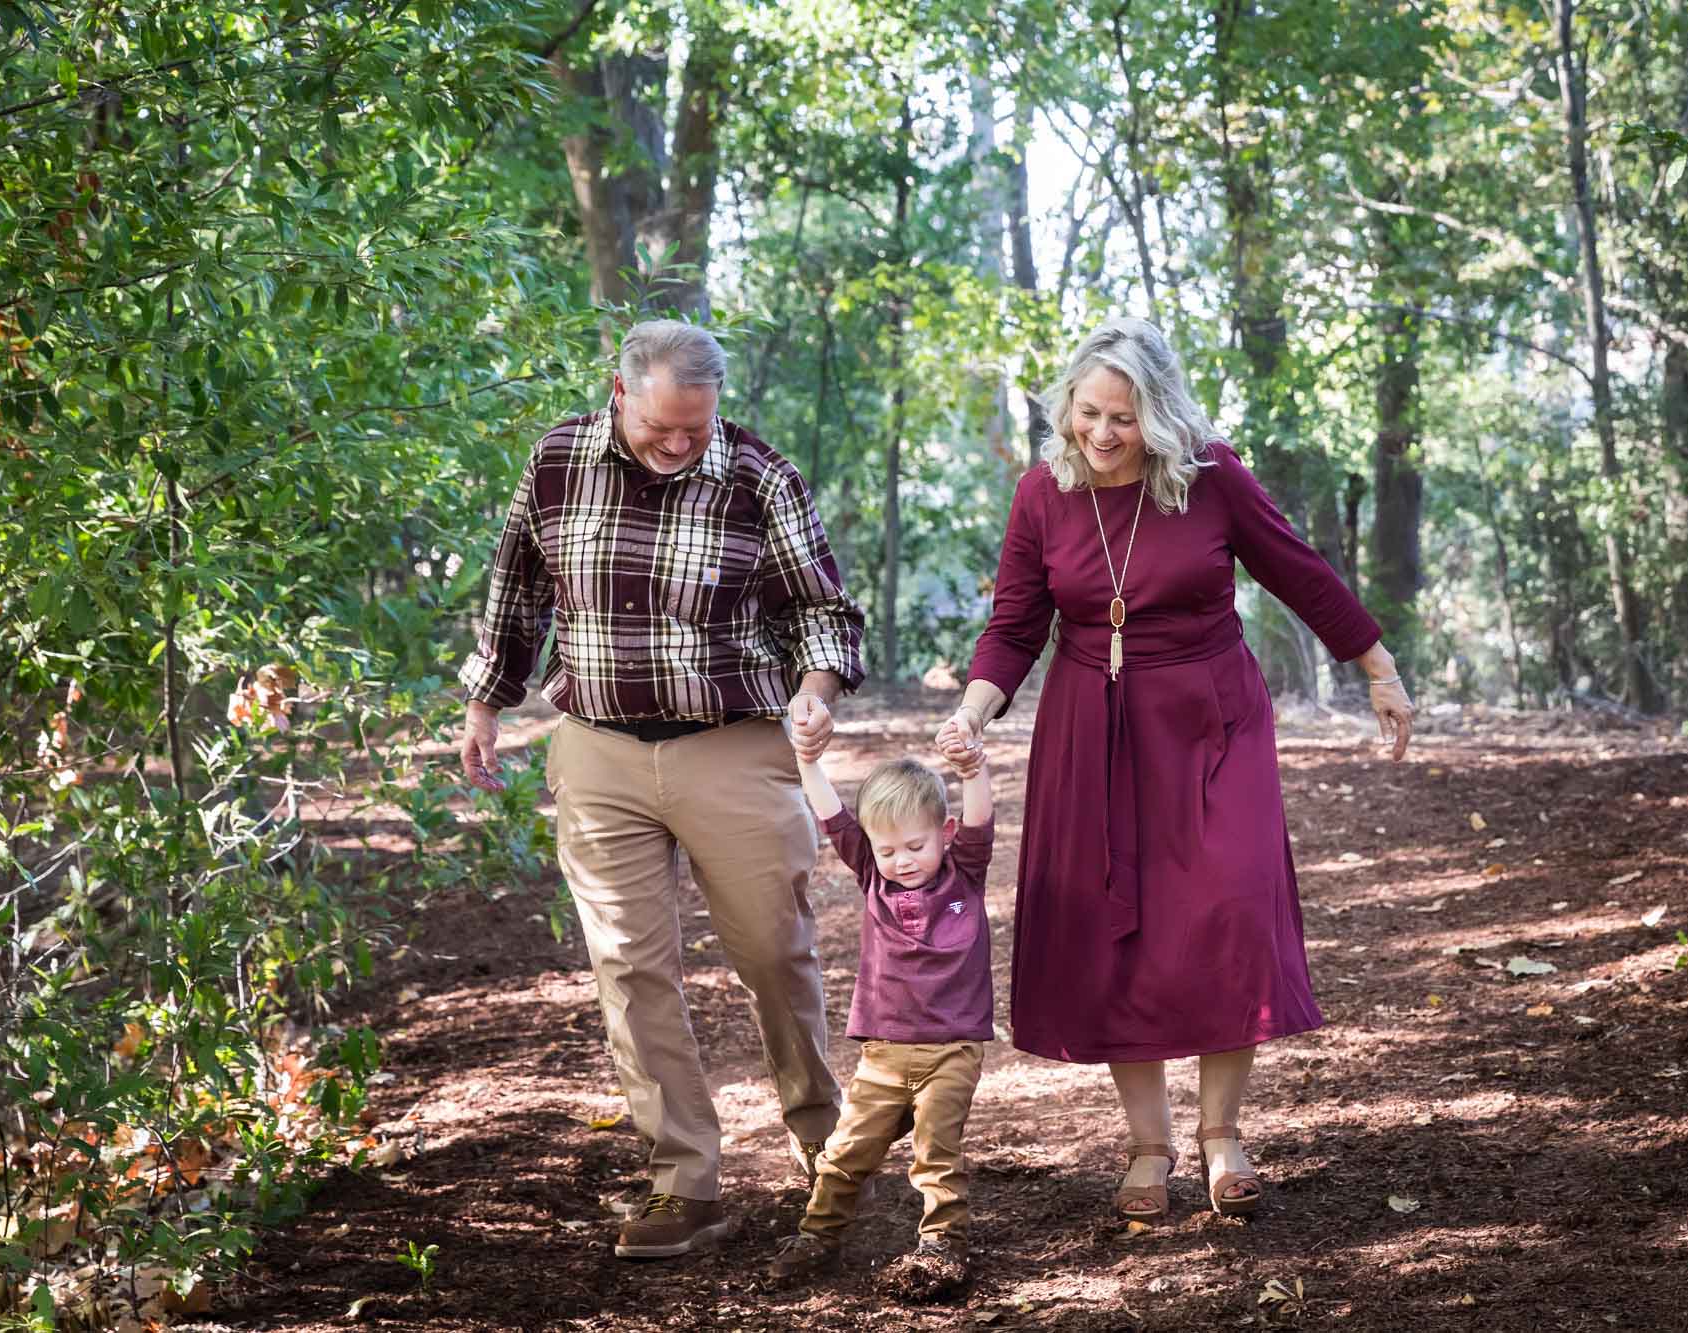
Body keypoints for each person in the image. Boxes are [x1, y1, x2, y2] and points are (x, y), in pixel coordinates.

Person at [935, 317, 1413, 1222]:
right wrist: (972, 710)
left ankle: (1221, 1134)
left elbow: (1299, 571)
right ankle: (1148, 1145)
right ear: (1066, 407)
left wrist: (1377, 667)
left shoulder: (1209, 475)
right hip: (1090, 726)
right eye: (1089, 414)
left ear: (1158, 414)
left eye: (1124, 417)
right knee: (1122, 926)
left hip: (1210, 719)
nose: (1105, 435)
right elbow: (1013, 624)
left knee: (1230, 910)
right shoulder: (1043, 493)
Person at [458, 320, 866, 1259]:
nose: (679, 445)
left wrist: (814, 689)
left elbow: (822, 610)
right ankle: (683, 1179)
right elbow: (515, 587)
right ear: (620, 392)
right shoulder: (559, 459)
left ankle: (825, 1145)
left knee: (773, 952)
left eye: (696, 427)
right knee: (630, 969)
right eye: (659, 428)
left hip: (734, 743)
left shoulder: (760, 478)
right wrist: (486, 701)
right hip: (598, 750)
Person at [767, 723, 994, 1301]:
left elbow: (979, 820)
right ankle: (818, 1236)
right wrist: (808, 761)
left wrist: (971, 772)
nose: (902, 860)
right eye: (887, 849)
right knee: (845, 1154)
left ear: (943, 836)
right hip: (884, 1054)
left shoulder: (963, 871)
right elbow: (834, 817)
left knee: (936, 1155)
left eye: (916, 846)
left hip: (952, 1049)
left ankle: (942, 1244)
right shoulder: (873, 876)